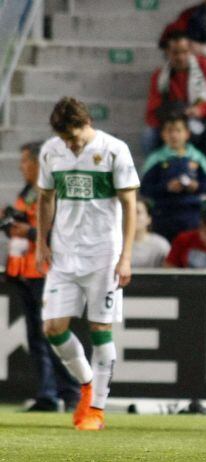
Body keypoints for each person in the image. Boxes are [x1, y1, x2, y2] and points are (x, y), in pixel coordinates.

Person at [36, 97, 139, 431]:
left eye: (74, 136)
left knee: (100, 329)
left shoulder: (114, 150)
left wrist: (125, 257)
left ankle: (95, 409)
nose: (70, 143)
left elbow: (129, 204)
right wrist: (42, 242)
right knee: (53, 327)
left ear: (86, 124)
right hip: (64, 253)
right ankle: (87, 384)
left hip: (103, 256)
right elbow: (45, 198)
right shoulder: (52, 151)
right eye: (65, 138)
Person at [4, 142, 80, 412]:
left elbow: (62, 235)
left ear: (39, 163)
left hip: (46, 272)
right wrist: (10, 223)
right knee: (37, 337)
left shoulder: (54, 192)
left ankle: (71, 391)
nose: (21, 165)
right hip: (25, 272)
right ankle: (47, 394)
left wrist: (30, 233)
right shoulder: (29, 192)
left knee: (53, 333)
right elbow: (24, 227)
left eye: (25, 160)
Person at [144, 31, 206, 178]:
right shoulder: (160, 76)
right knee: (148, 136)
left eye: (185, 52)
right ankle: (156, 182)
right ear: (167, 52)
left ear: (191, 50)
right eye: (175, 53)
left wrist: (201, 110)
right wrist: (169, 124)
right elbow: (152, 111)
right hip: (174, 123)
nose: (180, 57)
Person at [140, 113, 206, 243]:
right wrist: (167, 187)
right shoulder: (156, 159)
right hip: (163, 214)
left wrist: (196, 186)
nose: (174, 135)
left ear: (187, 133)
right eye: (170, 131)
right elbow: (145, 189)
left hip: (192, 214)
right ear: (163, 134)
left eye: (178, 130)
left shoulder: (198, 158)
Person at [131, 199, 171, 268]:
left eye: (138, 212)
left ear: (149, 219)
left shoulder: (161, 245)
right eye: (127, 212)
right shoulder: (115, 243)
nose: (131, 217)